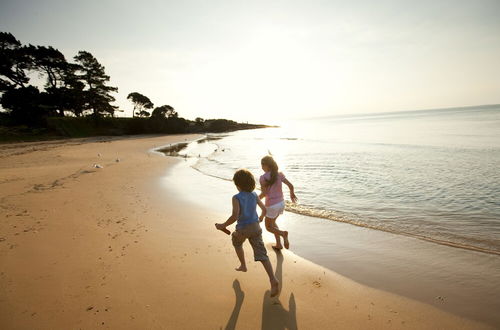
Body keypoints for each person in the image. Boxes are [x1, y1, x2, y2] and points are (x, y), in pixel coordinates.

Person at [215, 169, 280, 297]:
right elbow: (263, 209)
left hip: (243, 229)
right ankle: (273, 279)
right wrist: (260, 218)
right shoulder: (255, 195)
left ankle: (243, 265)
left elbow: (235, 216)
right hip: (256, 228)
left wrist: (223, 225)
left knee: (236, 242)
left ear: (237, 185)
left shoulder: (236, 197)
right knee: (262, 255)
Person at [259, 155, 298, 250]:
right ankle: (279, 244)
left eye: (262, 165)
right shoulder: (279, 174)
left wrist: (255, 199)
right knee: (272, 223)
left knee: (268, 227)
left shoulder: (263, 178)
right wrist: (292, 194)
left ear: (267, 166)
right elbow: (291, 186)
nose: (261, 167)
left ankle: (283, 234)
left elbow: (264, 193)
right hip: (281, 203)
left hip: (271, 205)